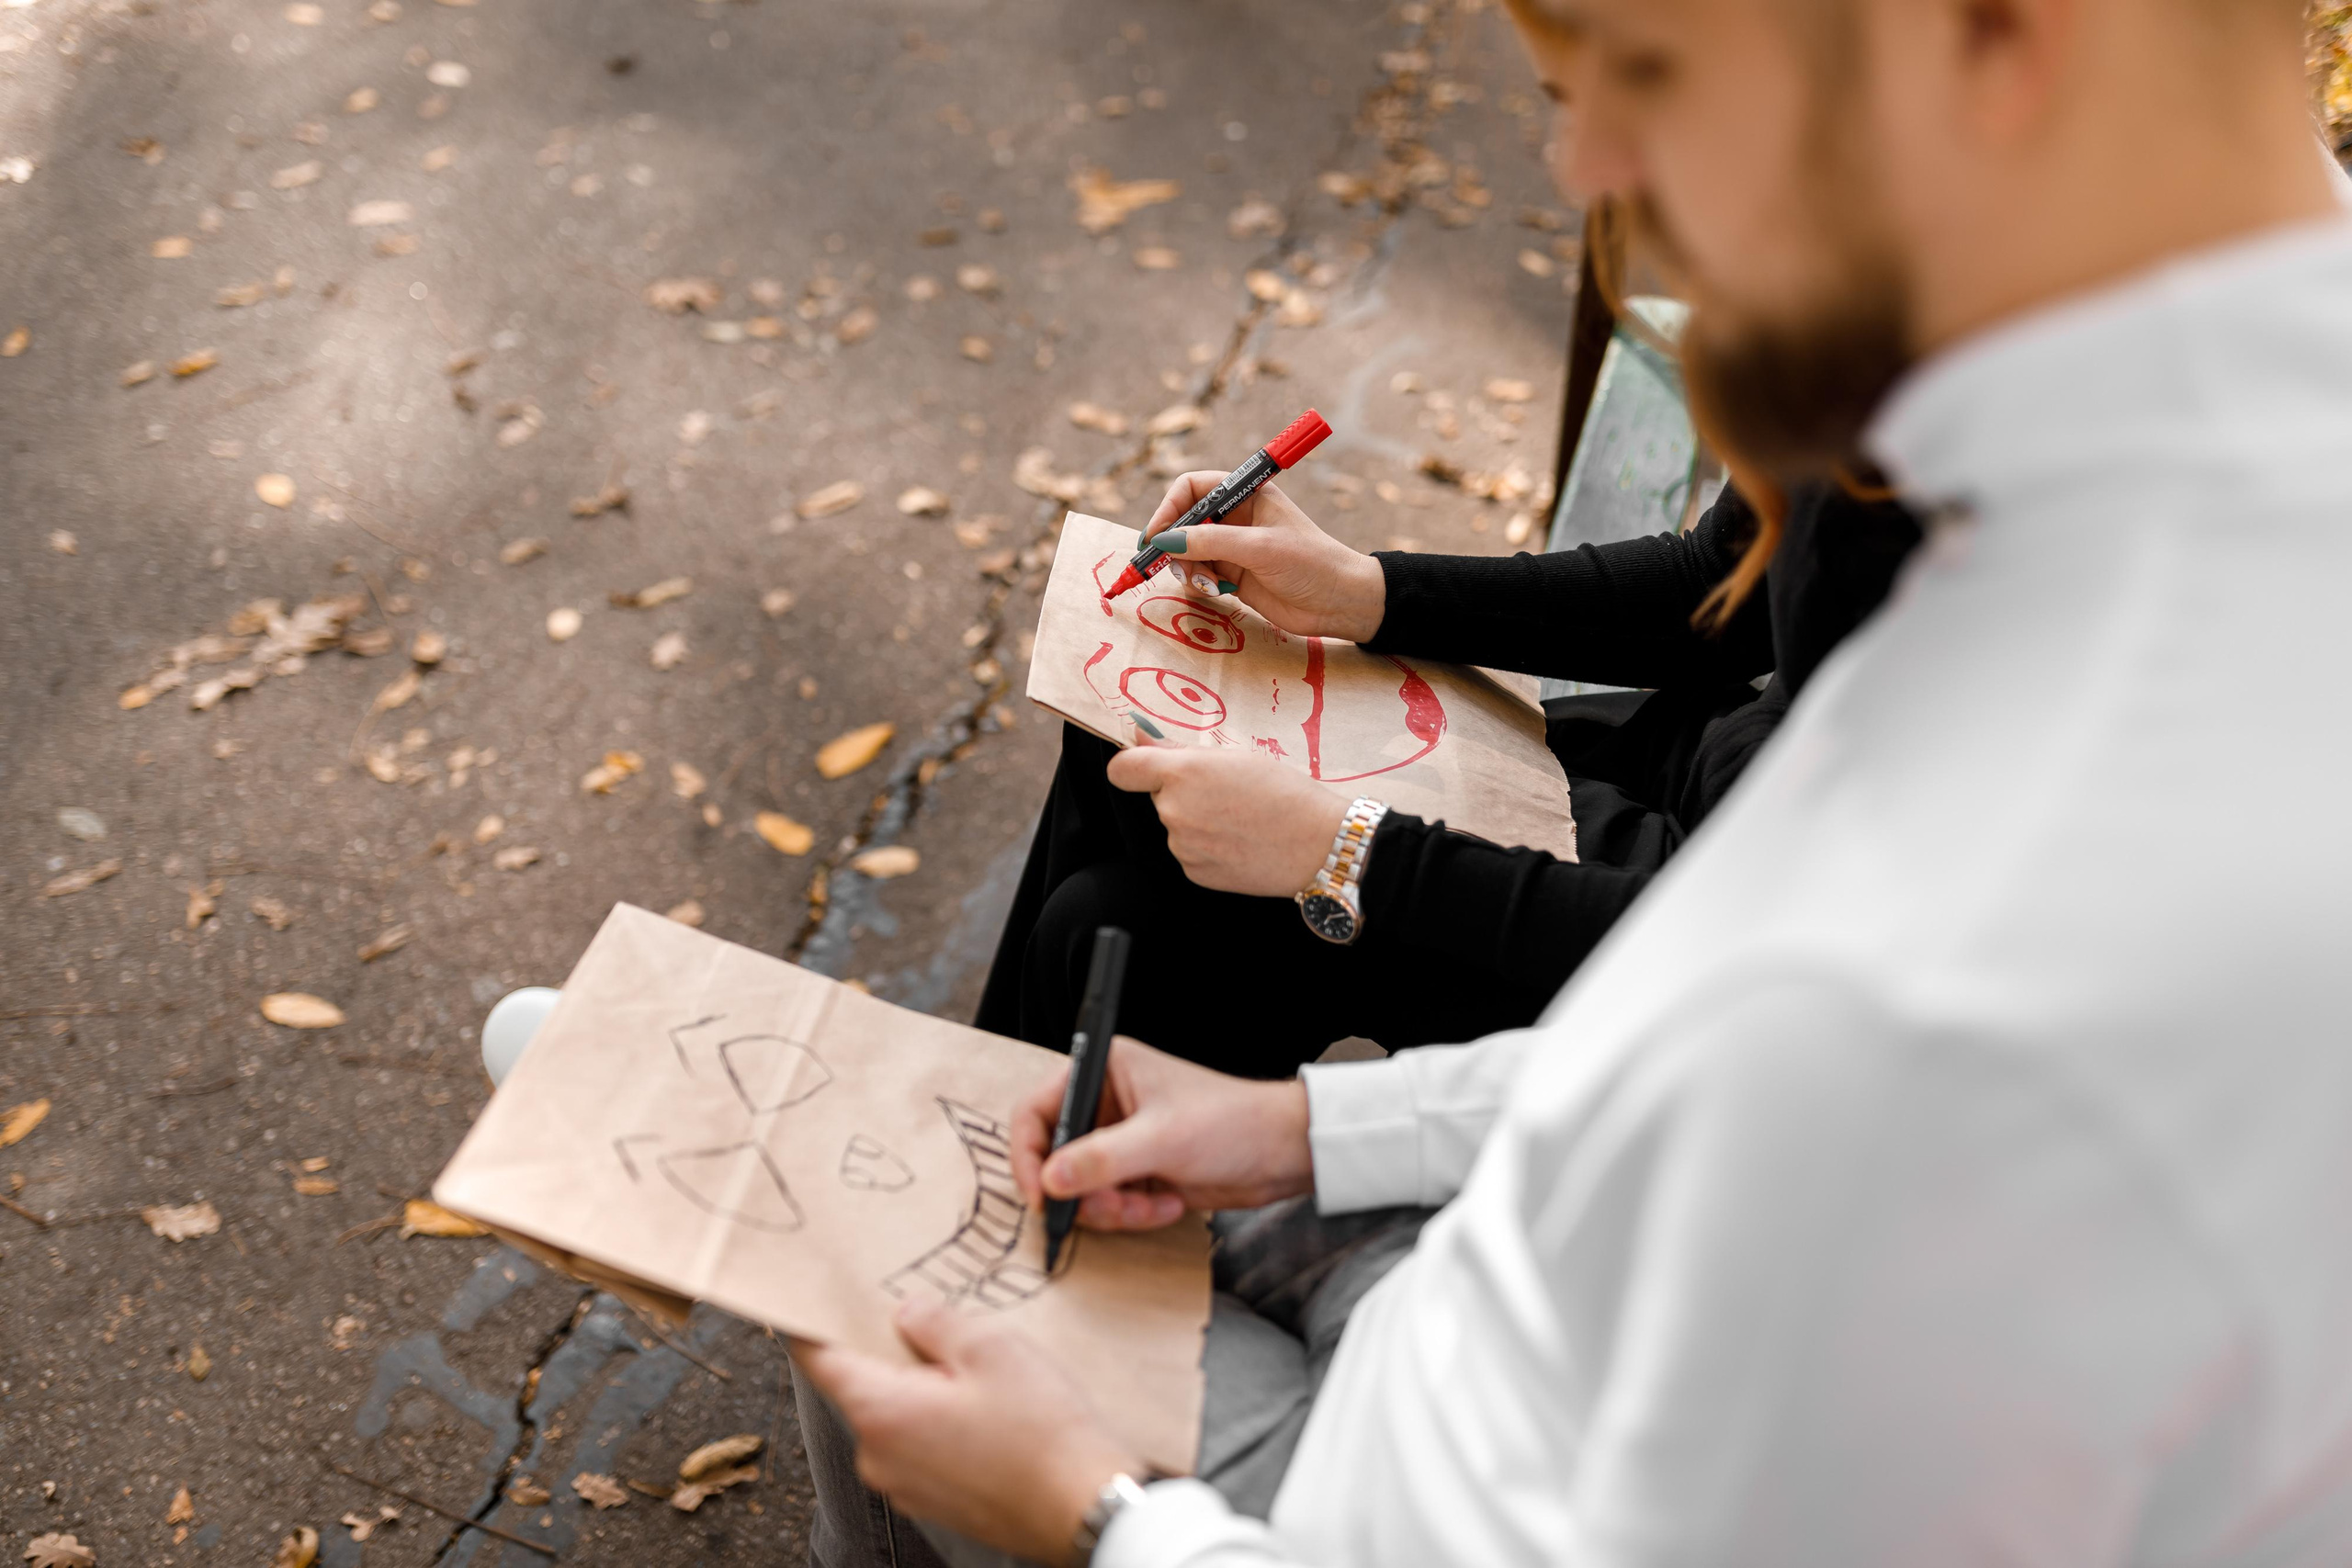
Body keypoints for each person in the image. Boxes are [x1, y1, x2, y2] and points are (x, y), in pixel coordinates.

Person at [799, 0, 2352, 1563]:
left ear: (1995, 43)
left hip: (1347, 1479)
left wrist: (1097, 1509)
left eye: (1646, 76)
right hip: (1460, 1294)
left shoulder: (1988, 945)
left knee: (867, 1334)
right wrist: (1318, 1128)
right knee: (1044, 987)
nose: (1582, 161)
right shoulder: (2098, 507)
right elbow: (1701, 1014)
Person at [976, 476, 1921, 1077]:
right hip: (1700, 759)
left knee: (1108, 931)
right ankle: (976, 1141)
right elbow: (1724, 582)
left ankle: (996, 1225)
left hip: (1722, 953)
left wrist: (1347, 851)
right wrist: (1368, 593)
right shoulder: (1898, 274)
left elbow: (1785, 947)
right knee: (1125, 758)